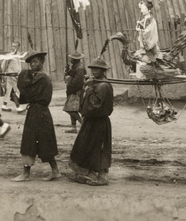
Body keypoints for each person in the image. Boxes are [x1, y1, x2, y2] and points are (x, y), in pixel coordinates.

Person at [12, 50, 60, 182]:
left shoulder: (42, 77)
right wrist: (16, 96)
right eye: (31, 62)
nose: (33, 64)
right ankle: (27, 173)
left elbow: (28, 90)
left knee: (44, 142)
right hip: (35, 111)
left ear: (42, 63)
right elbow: (27, 95)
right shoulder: (36, 77)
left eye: (36, 62)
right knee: (29, 141)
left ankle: (54, 171)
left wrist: (21, 77)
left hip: (41, 113)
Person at [68, 57, 114, 186]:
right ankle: (87, 173)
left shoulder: (103, 85)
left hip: (99, 122)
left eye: (97, 69)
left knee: (98, 149)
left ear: (103, 70)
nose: (94, 71)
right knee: (86, 146)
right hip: (90, 121)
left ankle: (101, 177)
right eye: (93, 68)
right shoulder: (96, 83)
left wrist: (90, 88)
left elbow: (95, 105)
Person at [63, 51, 86, 134]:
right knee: (74, 109)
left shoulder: (79, 68)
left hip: (76, 92)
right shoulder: (75, 67)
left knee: (70, 109)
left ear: (75, 59)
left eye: (72, 58)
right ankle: (73, 127)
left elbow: (77, 82)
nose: (70, 60)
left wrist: (69, 80)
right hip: (72, 91)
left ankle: (83, 125)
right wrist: (67, 70)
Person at [1, 40, 25, 113]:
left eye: (15, 46)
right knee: (13, 91)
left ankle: (4, 105)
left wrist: (19, 73)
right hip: (10, 75)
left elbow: (18, 65)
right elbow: (3, 65)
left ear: (18, 47)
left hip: (16, 75)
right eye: (12, 46)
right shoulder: (9, 55)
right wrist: (4, 73)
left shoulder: (18, 55)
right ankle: (18, 107)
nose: (13, 47)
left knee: (9, 91)